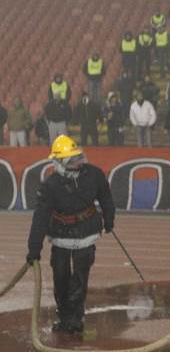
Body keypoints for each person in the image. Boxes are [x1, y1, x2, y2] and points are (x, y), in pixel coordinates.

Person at [26, 135, 116, 335]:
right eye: (72, 159)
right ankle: (65, 317)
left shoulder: (95, 175)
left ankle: (75, 320)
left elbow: (106, 198)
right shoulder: (50, 186)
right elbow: (40, 218)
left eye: (78, 157)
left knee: (79, 280)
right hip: (61, 237)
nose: (78, 162)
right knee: (61, 279)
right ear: (58, 162)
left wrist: (109, 219)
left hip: (87, 235)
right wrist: (34, 248)